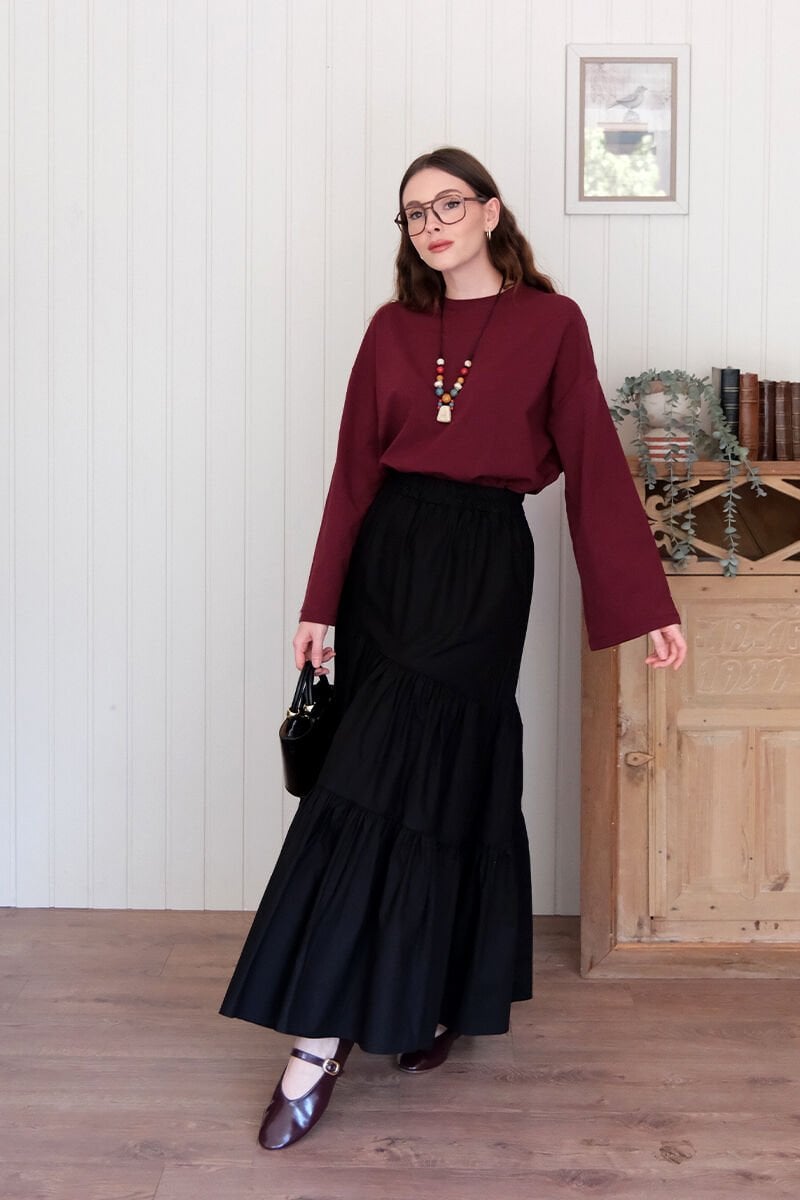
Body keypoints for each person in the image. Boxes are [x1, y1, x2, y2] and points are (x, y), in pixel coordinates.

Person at [220, 146, 687, 1150]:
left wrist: (646, 602)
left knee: (430, 771)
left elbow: (593, 464)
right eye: (413, 214)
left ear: (489, 211)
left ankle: (324, 1037)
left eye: (446, 204)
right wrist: (319, 604)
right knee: (381, 776)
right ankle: (390, 1007)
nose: (430, 225)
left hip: (481, 566)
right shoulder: (391, 329)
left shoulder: (551, 323)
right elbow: (352, 473)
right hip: (387, 560)